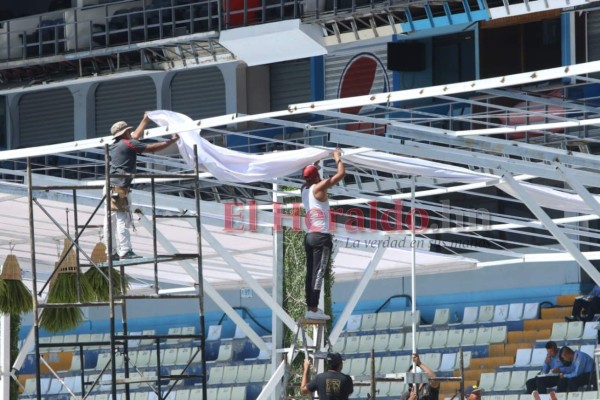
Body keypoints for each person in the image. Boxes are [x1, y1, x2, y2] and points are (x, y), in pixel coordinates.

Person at [104, 114, 179, 260]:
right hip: (119, 188)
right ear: (125, 133)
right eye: (128, 132)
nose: (131, 133)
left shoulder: (116, 145)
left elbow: (135, 138)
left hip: (109, 186)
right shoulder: (128, 144)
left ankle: (111, 252)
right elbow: (151, 148)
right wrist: (172, 141)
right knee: (122, 219)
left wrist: (145, 120)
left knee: (110, 220)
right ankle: (125, 251)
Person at [301, 149, 345, 320]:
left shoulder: (304, 189)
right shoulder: (319, 187)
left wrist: (316, 160)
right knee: (318, 273)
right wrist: (336, 157)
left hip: (310, 236)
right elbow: (341, 173)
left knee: (311, 272)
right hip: (321, 237)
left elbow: (311, 172)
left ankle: (310, 307)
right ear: (317, 176)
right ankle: (313, 310)